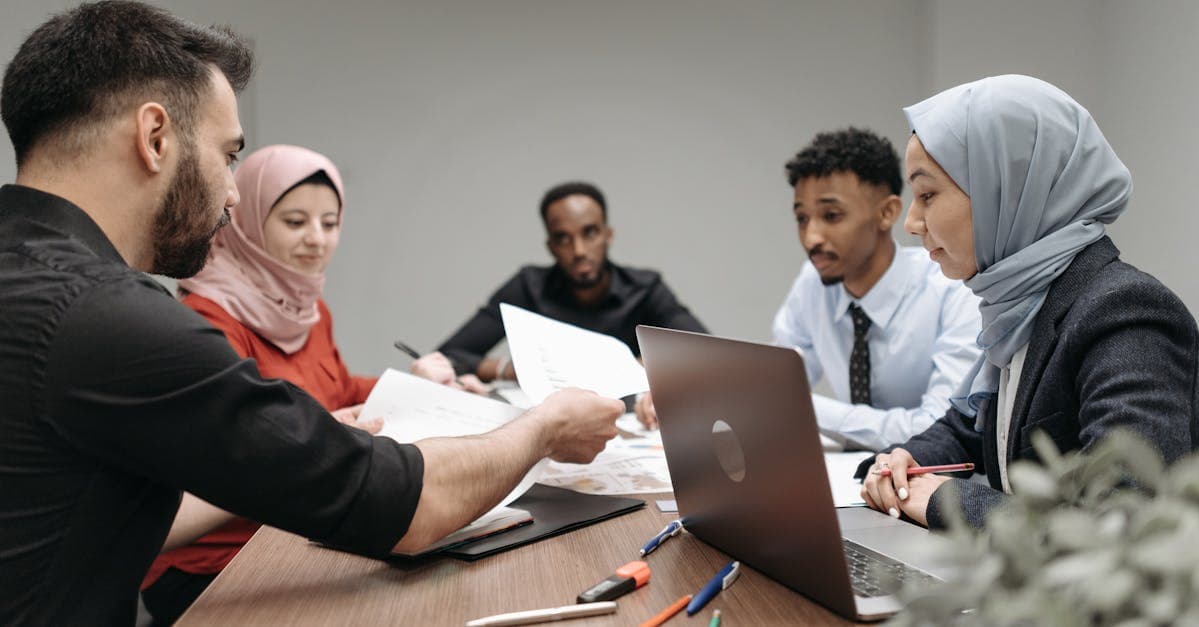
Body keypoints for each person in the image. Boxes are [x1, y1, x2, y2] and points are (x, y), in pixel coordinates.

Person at [0, 3, 621, 624]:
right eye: (227, 155)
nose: (233, 193)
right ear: (155, 137)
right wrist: (543, 428)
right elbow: (407, 503)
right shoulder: (116, 322)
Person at [859, 75, 1199, 529]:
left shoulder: (1126, 312)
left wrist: (947, 501)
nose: (912, 222)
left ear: (1009, 189)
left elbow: (1123, 523)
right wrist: (906, 462)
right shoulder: (1024, 303)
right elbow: (969, 428)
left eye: (926, 195)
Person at [140, 144, 457, 622]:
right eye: (295, 222)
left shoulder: (306, 309)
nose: (317, 239)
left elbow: (337, 388)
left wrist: (417, 387)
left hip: (298, 527)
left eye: (330, 223)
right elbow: (227, 455)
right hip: (216, 561)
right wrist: (326, 430)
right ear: (247, 222)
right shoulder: (208, 322)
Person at [636, 129, 982, 452]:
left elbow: (936, 427)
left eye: (831, 216)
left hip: (939, 481)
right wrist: (690, 395)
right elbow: (773, 382)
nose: (811, 237)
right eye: (802, 218)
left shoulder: (951, 290)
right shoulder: (814, 285)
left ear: (887, 213)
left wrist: (799, 405)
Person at [437, 181, 707, 382]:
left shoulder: (644, 288)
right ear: (551, 246)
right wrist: (511, 369)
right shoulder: (529, 287)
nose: (578, 250)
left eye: (589, 233)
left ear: (608, 235)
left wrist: (630, 369)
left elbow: (704, 351)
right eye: (563, 238)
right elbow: (450, 355)